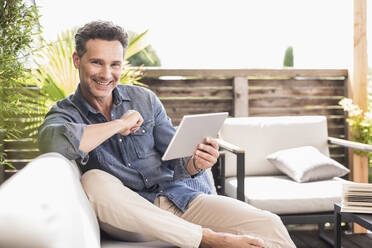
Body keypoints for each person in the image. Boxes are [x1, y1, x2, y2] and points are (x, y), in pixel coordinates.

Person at [38, 20, 296, 248]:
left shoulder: (144, 99)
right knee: (94, 179)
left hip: (178, 199)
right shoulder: (65, 112)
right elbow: (54, 142)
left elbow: (174, 157)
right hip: (133, 218)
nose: (107, 74)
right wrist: (118, 124)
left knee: (268, 223)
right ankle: (208, 239)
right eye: (97, 63)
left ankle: (202, 235)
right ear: (76, 60)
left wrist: (196, 163)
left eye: (114, 64)